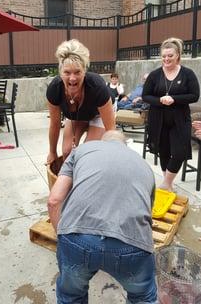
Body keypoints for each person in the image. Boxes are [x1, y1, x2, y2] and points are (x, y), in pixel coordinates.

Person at [48, 130, 158, 304]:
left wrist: (64, 241)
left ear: (102, 141)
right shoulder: (144, 165)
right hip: (132, 244)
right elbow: (147, 214)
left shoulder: (82, 150)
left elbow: (54, 200)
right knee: (142, 298)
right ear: (125, 145)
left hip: (77, 236)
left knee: (71, 297)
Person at [142, 37, 200, 191]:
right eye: (164, 56)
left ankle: (166, 183)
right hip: (158, 119)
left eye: (170, 56)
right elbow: (145, 96)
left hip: (180, 120)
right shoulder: (155, 75)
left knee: (180, 152)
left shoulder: (188, 74)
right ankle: (168, 183)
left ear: (178, 56)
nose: (166, 59)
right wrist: (160, 100)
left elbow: (194, 95)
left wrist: (174, 99)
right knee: (164, 151)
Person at [46, 39, 115, 164]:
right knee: (67, 152)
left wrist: (114, 152)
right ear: (60, 73)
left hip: (98, 114)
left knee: (85, 154)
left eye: (77, 72)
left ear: (84, 71)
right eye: (67, 72)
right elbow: (54, 125)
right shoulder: (54, 89)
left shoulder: (97, 87)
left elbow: (111, 129)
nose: (72, 78)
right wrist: (52, 152)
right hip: (76, 116)